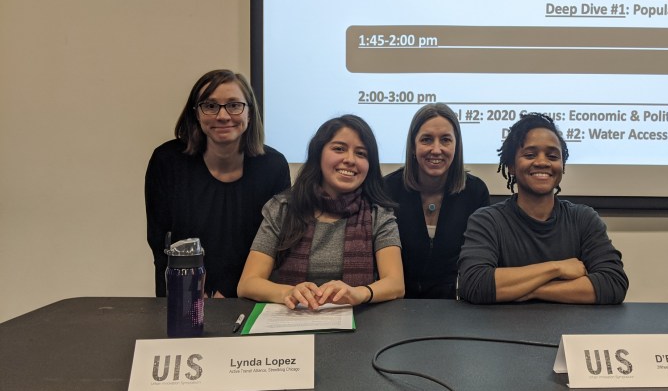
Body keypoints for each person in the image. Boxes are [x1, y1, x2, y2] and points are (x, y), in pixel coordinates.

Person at [145, 69, 290, 298]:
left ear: (250, 113)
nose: (223, 116)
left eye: (234, 105)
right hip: (184, 295)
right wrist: (190, 291)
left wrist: (232, 292)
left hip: (250, 295)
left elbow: (275, 245)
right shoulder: (167, 161)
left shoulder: (273, 166)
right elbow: (159, 241)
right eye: (210, 106)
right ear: (196, 114)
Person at [458, 112, 628, 305]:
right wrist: (556, 268)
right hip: (502, 334)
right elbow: (475, 284)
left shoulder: (583, 219)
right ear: (511, 166)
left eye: (553, 156)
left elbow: (613, 284)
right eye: (530, 154)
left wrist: (530, 291)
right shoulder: (487, 221)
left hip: (570, 334)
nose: (542, 162)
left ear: (562, 166)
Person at [238, 114, 404, 308]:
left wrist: (358, 293)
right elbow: (248, 283)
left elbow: (395, 284)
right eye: (339, 149)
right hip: (290, 320)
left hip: (359, 324)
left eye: (361, 153)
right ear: (318, 154)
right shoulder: (282, 208)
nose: (350, 160)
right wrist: (287, 292)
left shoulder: (378, 214)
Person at [384, 103, 490, 298]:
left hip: (458, 308)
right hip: (396, 305)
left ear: (456, 147)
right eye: (426, 140)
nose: (436, 149)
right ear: (413, 147)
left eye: (445, 140)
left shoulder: (476, 192)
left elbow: (478, 265)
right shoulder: (388, 189)